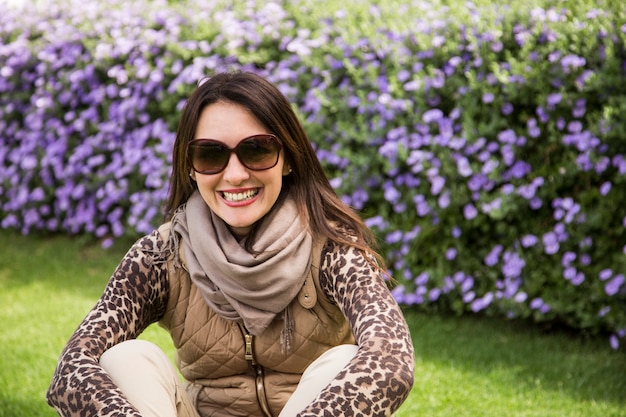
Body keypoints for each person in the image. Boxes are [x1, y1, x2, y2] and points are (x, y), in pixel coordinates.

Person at [47, 71, 415, 417]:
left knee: (343, 360)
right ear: (190, 166)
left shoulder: (334, 249)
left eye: (256, 150)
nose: (236, 174)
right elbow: (72, 367)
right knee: (126, 357)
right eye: (211, 154)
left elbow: (392, 361)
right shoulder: (161, 256)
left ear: (286, 159)